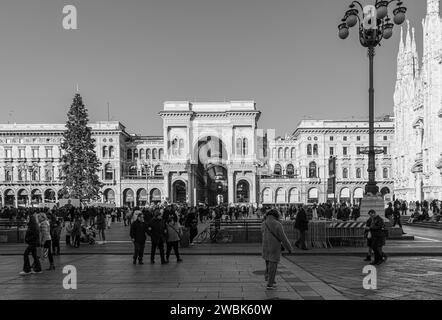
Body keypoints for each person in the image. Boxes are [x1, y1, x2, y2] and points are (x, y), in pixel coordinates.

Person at [261, 209, 292, 290]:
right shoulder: (277, 224)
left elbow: (262, 233)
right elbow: (283, 238)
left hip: (265, 246)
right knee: (273, 266)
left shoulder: (264, 223)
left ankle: (269, 279)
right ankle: (270, 284)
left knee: (268, 264)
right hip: (274, 247)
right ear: (275, 215)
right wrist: (289, 248)